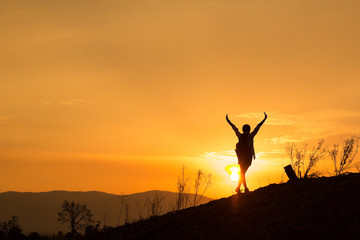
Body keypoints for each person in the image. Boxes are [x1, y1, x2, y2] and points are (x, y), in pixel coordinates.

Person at [226, 112, 267, 194]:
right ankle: (244, 188)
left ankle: (239, 188)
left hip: (241, 157)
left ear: (243, 129)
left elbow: (234, 128)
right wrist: (264, 119)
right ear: (249, 129)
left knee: (242, 173)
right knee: (243, 173)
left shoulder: (240, 136)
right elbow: (258, 127)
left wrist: (228, 120)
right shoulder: (251, 136)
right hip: (248, 157)